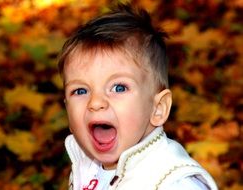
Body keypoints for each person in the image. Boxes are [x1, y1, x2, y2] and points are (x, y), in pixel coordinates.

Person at [58, 3, 218, 190]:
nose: (96, 102)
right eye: (80, 91)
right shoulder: (86, 169)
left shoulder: (171, 182)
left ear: (158, 108)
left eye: (118, 87)